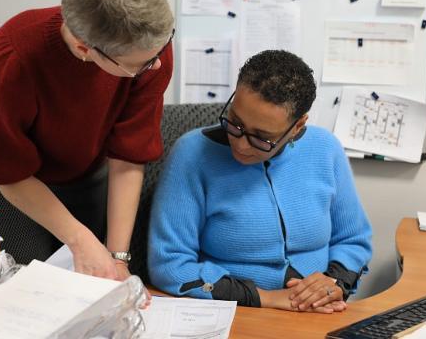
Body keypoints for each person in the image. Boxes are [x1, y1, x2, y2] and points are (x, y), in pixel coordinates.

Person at [0, 0, 174, 282]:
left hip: (87, 165)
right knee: (21, 284)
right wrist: (79, 238)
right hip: (11, 178)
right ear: (84, 48)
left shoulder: (148, 49)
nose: (156, 67)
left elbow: (128, 156)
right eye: (140, 65)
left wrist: (117, 258)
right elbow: (9, 172)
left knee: (90, 282)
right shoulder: (13, 56)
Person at [148, 50, 372, 312]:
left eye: (262, 138)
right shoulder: (192, 154)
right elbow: (169, 265)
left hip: (319, 312)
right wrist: (264, 298)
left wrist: (332, 284)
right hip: (234, 311)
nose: (241, 145)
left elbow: (353, 240)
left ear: (298, 126)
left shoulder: (326, 149)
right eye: (235, 123)